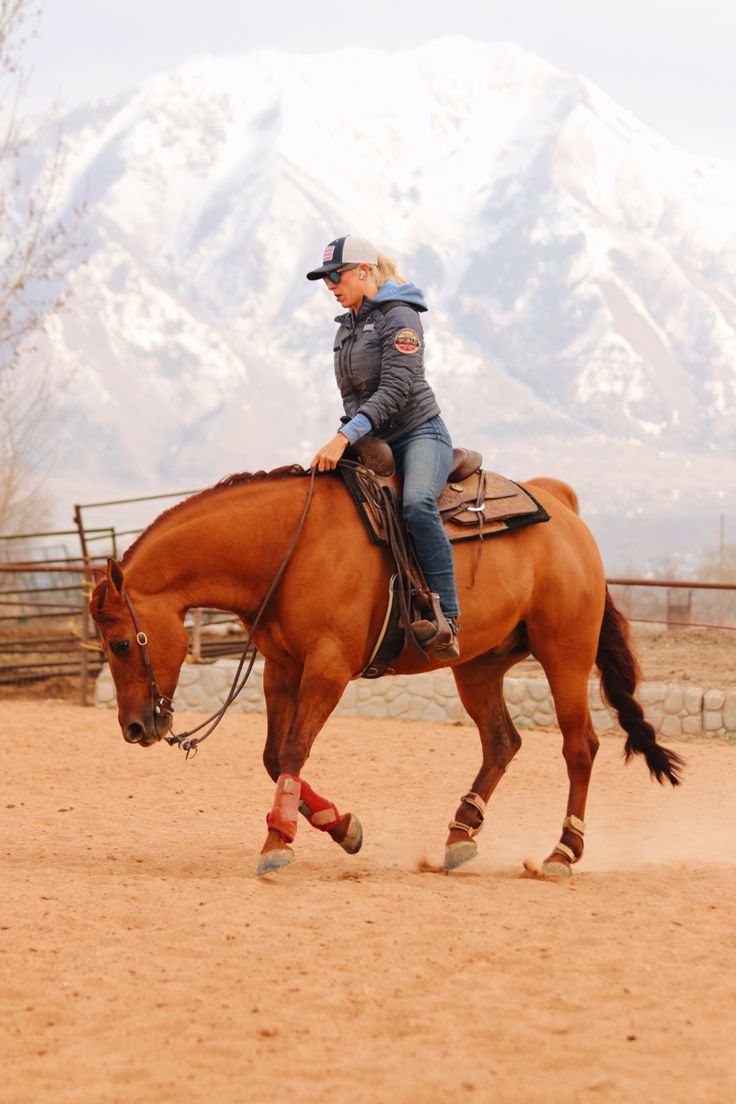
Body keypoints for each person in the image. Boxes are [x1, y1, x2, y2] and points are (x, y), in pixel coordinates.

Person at [306, 234, 460, 658]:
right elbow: (354, 397)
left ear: (363, 271)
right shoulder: (346, 329)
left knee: (415, 505)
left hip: (418, 432)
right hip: (373, 438)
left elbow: (395, 388)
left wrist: (343, 437)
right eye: (324, 280)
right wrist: (350, 435)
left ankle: (448, 616)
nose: (331, 286)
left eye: (336, 276)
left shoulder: (401, 317)